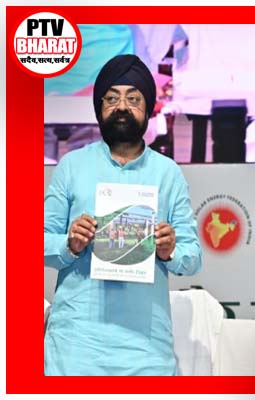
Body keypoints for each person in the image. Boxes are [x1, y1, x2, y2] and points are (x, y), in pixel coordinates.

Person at [44, 54, 202, 375]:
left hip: (145, 349)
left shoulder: (167, 173)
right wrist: (69, 244)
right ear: (100, 107)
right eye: (112, 98)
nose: (122, 107)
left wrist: (170, 250)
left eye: (133, 99)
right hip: (76, 343)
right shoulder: (72, 166)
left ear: (147, 108)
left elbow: (193, 257)